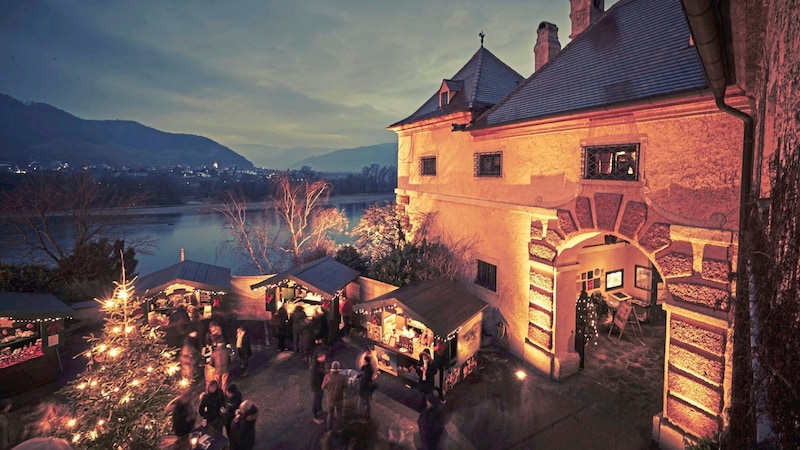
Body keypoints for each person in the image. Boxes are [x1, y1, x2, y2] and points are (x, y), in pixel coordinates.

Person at [321, 360, 347, 431]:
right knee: (339, 414)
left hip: (330, 399)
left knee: (330, 414)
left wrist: (328, 388)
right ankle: (339, 428)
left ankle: (329, 428)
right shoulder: (342, 377)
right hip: (339, 399)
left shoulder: (327, 377)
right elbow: (346, 387)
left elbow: (322, 387)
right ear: (339, 368)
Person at [309, 350, 327, 424]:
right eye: (322, 356)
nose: (324, 357)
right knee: (316, 399)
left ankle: (320, 409)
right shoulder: (315, 367)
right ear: (318, 358)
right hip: (317, 386)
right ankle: (315, 415)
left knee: (320, 398)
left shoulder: (320, 364)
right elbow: (315, 378)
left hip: (320, 384)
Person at [358, 355, 376, 419]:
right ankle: (368, 414)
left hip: (364, 389)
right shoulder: (369, 369)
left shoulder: (366, 370)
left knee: (360, 403)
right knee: (367, 401)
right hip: (368, 389)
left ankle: (362, 416)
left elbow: (364, 377)